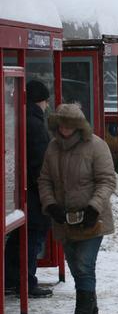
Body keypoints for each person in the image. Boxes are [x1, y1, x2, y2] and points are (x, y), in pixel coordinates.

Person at [38, 103, 116, 314]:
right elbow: (45, 180)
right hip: (64, 220)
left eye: (69, 125)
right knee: (77, 268)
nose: (64, 129)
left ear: (78, 126)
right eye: (61, 124)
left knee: (83, 267)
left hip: (93, 220)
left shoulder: (96, 146)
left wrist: (93, 207)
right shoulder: (53, 148)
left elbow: (106, 181)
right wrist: (50, 205)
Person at [4, 81, 53, 298]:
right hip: (33, 193)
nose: (47, 106)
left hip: (20, 190)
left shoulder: (19, 117)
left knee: (18, 239)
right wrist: (47, 192)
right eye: (46, 101)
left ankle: (12, 278)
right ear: (41, 100)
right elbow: (40, 164)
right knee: (32, 238)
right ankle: (26, 282)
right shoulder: (34, 123)